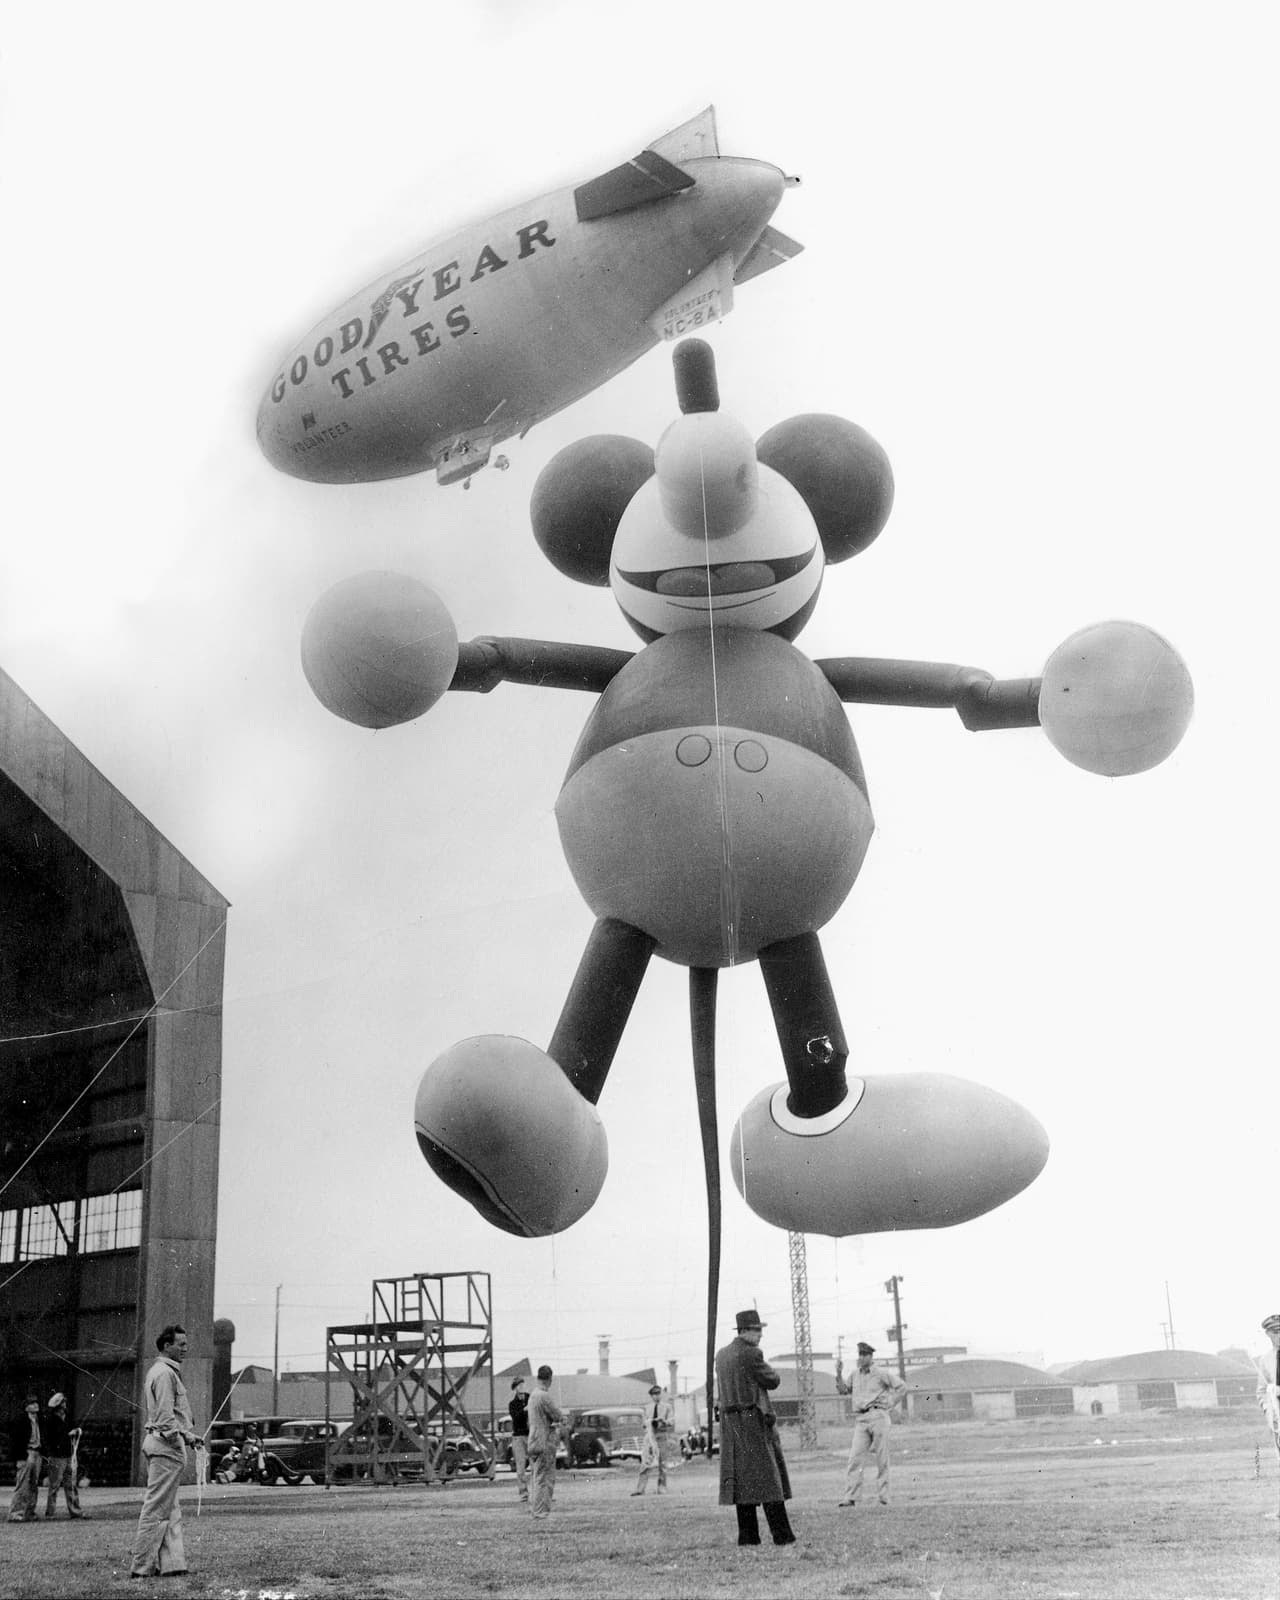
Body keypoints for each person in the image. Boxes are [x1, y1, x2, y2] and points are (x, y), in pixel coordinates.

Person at [714, 1307, 795, 1548]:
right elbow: (773, 1381)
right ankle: (782, 1535)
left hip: (731, 1425)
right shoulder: (751, 1354)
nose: (760, 1335)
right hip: (753, 1422)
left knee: (742, 1483)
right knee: (768, 1480)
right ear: (745, 1331)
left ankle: (748, 1537)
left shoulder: (721, 1355)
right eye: (757, 1330)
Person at [129, 1323, 201, 1579]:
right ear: (166, 1346)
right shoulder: (164, 1374)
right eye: (180, 1344)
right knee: (157, 1508)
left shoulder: (165, 1372)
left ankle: (172, 1564)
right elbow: (165, 1417)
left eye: (185, 1343)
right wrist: (179, 1437)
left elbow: (169, 1418)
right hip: (165, 1447)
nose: (185, 1348)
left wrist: (188, 1437)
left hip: (164, 1444)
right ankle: (141, 1567)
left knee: (169, 1508)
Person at [837, 1339, 907, 1508]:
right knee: (855, 1458)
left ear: (870, 1356)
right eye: (859, 1354)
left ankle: (884, 1496)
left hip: (878, 1416)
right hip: (861, 1419)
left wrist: (890, 1403)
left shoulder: (880, 1373)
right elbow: (843, 1391)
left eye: (864, 1354)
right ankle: (850, 1496)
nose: (861, 1358)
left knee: (882, 1458)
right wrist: (838, 1373)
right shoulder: (854, 1374)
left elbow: (901, 1387)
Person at [525, 1364, 565, 1521]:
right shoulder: (544, 1396)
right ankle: (541, 1512)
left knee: (537, 1478)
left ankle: (536, 1509)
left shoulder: (533, 1395)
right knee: (545, 1478)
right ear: (550, 1379)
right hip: (544, 1442)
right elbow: (557, 1415)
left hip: (533, 1440)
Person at [42, 1393, 87, 1519]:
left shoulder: (67, 1418)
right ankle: (50, 1513)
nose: (65, 1404)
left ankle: (75, 1511)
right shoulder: (50, 1420)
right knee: (54, 1486)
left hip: (68, 1455)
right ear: (58, 1405)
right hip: (56, 1457)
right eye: (63, 1403)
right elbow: (50, 1438)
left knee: (71, 1485)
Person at [1256, 1313, 1280, 1517]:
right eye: (1274, 1333)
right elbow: (1262, 1390)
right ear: (1268, 1335)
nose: (1278, 1337)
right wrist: (1268, 1410)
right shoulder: (1266, 1360)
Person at [631, 1383, 672, 1496]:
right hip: (650, 1437)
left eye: (658, 1393)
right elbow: (643, 1423)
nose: (656, 1396)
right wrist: (649, 1423)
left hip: (662, 1436)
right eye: (654, 1394)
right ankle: (640, 1489)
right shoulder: (647, 1407)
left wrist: (663, 1421)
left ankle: (662, 1487)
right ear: (651, 1396)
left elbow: (672, 1421)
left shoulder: (667, 1407)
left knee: (662, 1463)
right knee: (645, 1462)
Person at [6, 1396, 42, 1523]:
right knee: (22, 1484)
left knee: (34, 1484)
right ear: (26, 1407)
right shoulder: (20, 1420)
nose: (35, 1405)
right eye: (32, 1403)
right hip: (26, 1453)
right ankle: (16, 1513)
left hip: (37, 1452)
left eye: (36, 1402)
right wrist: (21, 1457)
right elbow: (15, 1441)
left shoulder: (38, 1419)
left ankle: (29, 1512)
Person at [507, 1376, 530, 1502]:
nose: (522, 1388)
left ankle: (540, 1492)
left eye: (523, 1385)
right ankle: (523, 1493)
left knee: (537, 1465)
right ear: (515, 1389)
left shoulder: (531, 1398)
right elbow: (516, 1418)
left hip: (531, 1436)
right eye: (519, 1386)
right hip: (518, 1437)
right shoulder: (512, 1404)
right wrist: (524, 1410)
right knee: (520, 1467)